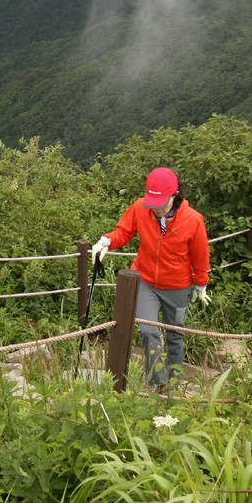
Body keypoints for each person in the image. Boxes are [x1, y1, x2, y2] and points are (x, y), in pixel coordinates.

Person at [91, 167, 210, 390]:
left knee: (175, 334)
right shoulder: (140, 208)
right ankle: (158, 385)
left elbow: (200, 256)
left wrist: (201, 284)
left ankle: (173, 385)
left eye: (161, 204)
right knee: (147, 331)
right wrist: (107, 240)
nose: (155, 210)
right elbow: (124, 232)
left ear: (175, 196)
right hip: (145, 281)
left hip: (178, 286)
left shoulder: (193, 220)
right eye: (152, 204)